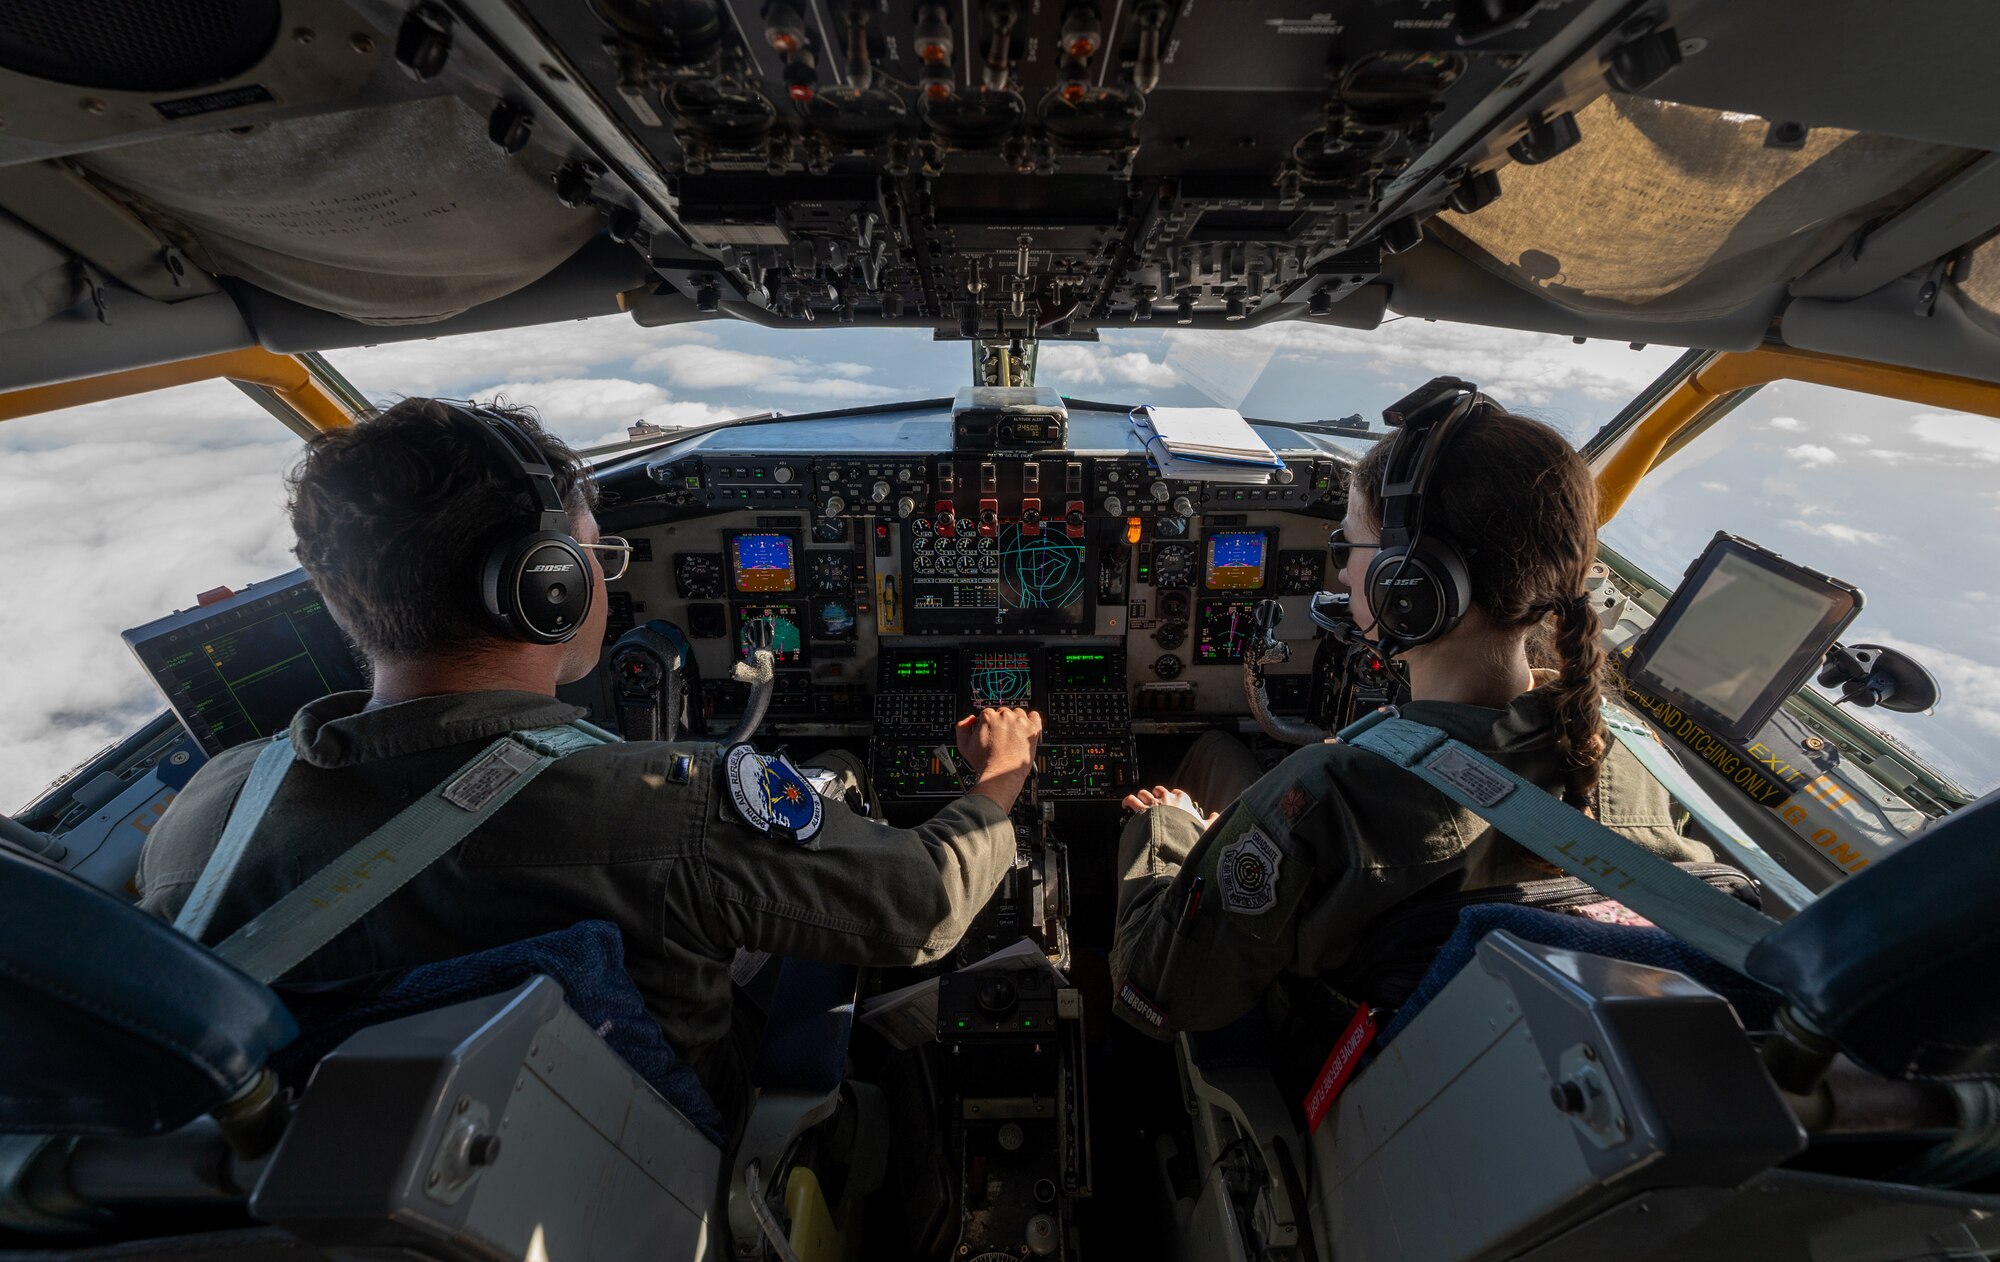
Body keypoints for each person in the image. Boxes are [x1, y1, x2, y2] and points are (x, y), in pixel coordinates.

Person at [137, 397, 1043, 1118]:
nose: (605, 577)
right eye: (594, 553)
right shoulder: (668, 806)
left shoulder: (206, 818)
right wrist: (997, 781)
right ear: (548, 586)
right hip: (665, 1155)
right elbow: (921, 904)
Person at [1108, 391, 1713, 1038]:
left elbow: (1152, 993)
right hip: (1500, 1044)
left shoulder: (1328, 793)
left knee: (1197, 772)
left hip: (1317, 1053)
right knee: (1220, 756)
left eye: (1353, 545)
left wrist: (1166, 830)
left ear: (1414, 581)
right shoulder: (1634, 753)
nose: (1342, 577)